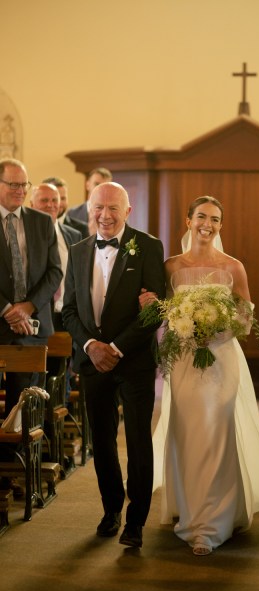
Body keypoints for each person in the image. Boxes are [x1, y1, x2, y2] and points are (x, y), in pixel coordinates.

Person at [142, 195, 259, 556]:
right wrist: (178, 326)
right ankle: (190, 509)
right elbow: (161, 314)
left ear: (220, 226)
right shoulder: (170, 267)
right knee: (187, 433)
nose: (207, 224)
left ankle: (214, 524)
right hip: (183, 362)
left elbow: (245, 318)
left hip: (221, 361)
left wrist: (215, 331)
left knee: (218, 430)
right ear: (188, 221)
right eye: (201, 217)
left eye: (215, 219)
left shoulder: (233, 267)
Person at [62, 181, 165, 548]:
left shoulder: (149, 247)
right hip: (92, 363)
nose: (105, 216)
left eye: (113, 208)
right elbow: (70, 310)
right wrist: (91, 346)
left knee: (138, 441)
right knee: (102, 442)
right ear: (90, 209)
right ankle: (111, 509)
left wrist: (116, 348)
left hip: (134, 361)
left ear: (127, 211)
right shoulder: (76, 251)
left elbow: (155, 310)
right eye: (98, 208)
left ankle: (136, 521)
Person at [0, 158, 62, 414]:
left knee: (24, 410)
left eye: (24, 184)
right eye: (13, 184)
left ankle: (17, 455)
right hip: (0, 322)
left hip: (33, 326)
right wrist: (6, 310)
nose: (20, 190)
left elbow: (54, 271)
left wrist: (28, 306)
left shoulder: (42, 222)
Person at [30, 183, 81, 330]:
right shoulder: (25, 235)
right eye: (44, 200)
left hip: (69, 315)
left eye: (54, 200)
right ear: (32, 204)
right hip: (38, 314)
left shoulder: (74, 235)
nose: (50, 205)